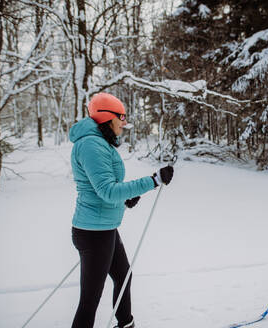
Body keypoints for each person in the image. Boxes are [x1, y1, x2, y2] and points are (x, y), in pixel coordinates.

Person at [69, 92, 174, 328]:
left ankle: (126, 324)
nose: (124, 123)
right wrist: (153, 181)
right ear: (107, 117)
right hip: (94, 232)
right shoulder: (91, 145)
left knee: (123, 276)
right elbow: (107, 190)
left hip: (104, 228)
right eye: (121, 117)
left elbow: (105, 188)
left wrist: (125, 199)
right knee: (89, 301)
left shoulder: (98, 143)